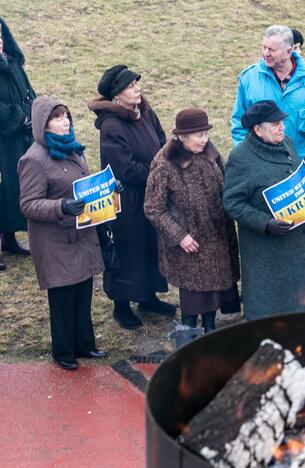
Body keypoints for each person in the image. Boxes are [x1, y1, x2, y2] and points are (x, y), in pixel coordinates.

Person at [18, 96, 109, 370]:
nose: (65, 121)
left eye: (66, 116)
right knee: (62, 297)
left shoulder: (73, 150)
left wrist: (108, 190)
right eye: (57, 117)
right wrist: (61, 206)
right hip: (55, 241)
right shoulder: (33, 159)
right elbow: (28, 204)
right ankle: (63, 351)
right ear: (42, 125)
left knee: (83, 291)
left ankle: (85, 344)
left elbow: (85, 187)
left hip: (79, 235)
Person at [89, 65, 174, 329]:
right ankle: (121, 305)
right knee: (128, 250)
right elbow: (123, 168)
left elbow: (162, 140)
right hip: (127, 200)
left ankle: (148, 297)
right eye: (130, 86)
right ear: (117, 95)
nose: (137, 89)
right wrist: (156, 173)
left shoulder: (146, 112)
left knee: (150, 245)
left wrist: (163, 165)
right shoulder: (112, 125)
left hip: (150, 195)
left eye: (137, 84)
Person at [223, 100, 305, 319]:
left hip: (299, 239)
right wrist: (264, 223)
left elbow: (295, 174)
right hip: (267, 249)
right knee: (271, 306)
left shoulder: (286, 142)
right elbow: (232, 203)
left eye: (282, 122)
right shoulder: (241, 158)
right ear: (257, 129)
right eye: (275, 124)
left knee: (303, 301)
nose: (282, 127)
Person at [144, 108, 241, 332]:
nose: (204, 139)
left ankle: (209, 330)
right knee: (194, 298)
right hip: (190, 245)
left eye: (206, 134)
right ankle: (188, 336)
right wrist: (180, 236)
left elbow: (226, 185)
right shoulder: (165, 162)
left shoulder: (211, 153)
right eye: (199, 135)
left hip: (217, 239)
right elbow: (153, 208)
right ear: (182, 136)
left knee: (214, 298)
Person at [230, 25, 305, 159]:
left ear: (289, 52)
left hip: (302, 166)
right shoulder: (249, 79)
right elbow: (239, 125)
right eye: (264, 47)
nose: (265, 53)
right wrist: (248, 160)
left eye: (271, 49)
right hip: (262, 165)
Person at [0, 18, 36, 269]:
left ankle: (9, 238)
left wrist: (33, 113)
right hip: (3, 139)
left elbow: (28, 93)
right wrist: (16, 116)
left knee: (16, 186)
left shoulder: (12, 63)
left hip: (19, 137)